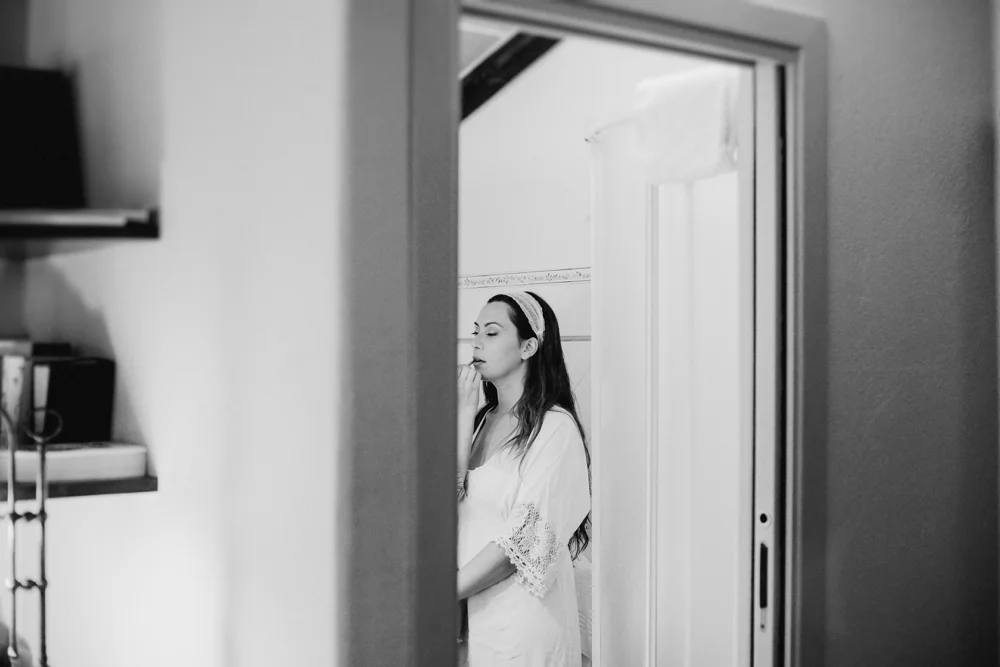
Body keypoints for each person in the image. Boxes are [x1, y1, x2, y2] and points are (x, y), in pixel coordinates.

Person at [456, 290, 591, 667]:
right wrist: (463, 417)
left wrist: (442, 592)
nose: (476, 342)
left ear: (528, 346)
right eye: (476, 332)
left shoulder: (555, 429)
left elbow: (524, 542)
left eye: (492, 332)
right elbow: (446, 508)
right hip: (472, 621)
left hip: (524, 624)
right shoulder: (480, 421)